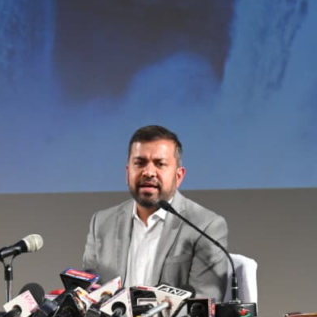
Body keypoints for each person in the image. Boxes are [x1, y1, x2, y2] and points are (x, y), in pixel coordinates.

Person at [83, 125, 229, 302]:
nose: (148, 172)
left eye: (160, 164)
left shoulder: (205, 226)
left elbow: (203, 302)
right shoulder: (101, 223)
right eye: (140, 163)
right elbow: (89, 292)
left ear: (179, 176)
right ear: (128, 172)